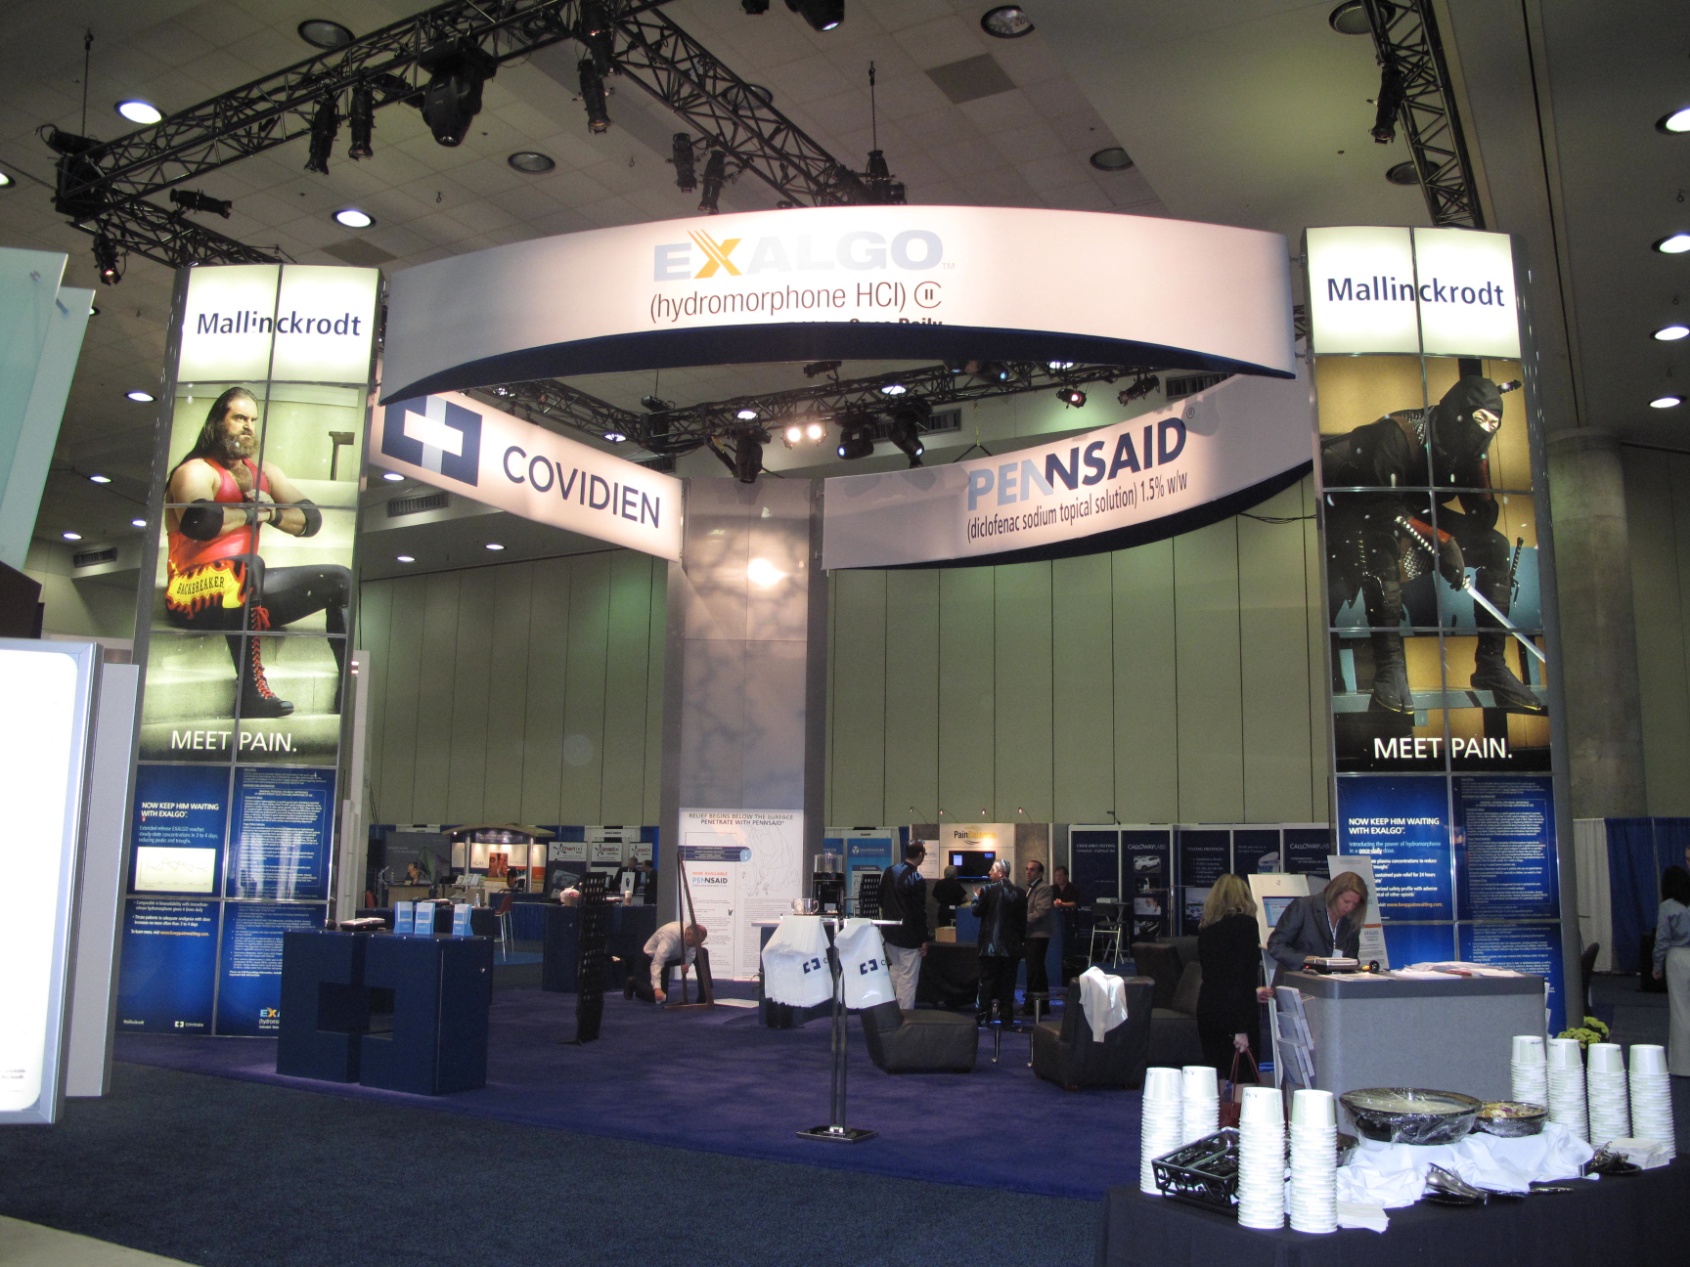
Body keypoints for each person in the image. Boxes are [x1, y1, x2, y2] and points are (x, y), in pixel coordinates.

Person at [1321, 375, 1541, 715]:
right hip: (1359, 515)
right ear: (1458, 410)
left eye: (1493, 424)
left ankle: (1491, 663)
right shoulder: (1400, 433)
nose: (1484, 428)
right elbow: (1383, 506)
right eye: (1479, 418)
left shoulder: (1464, 448)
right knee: (1384, 547)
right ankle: (1389, 668)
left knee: (1495, 546)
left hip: (1415, 514)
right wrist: (1439, 540)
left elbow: (1484, 518)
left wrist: (1479, 461)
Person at [163, 386, 351, 719]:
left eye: (253, 419)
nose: (248, 426)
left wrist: (270, 512)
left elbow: (310, 518)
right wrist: (255, 511)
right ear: (217, 423)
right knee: (248, 567)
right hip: (188, 592)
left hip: (242, 589)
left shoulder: (264, 472)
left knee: (339, 579)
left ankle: (349, 692)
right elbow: (200, 521)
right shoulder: (196, 470)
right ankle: (251, 692)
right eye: (239, 418)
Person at [1196, 875, 1271, 1076]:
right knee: (1243, 1075)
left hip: (1208, 1007)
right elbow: (1240, 977)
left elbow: (1218, 974)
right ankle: (1238, 1109)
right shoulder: (1246, 925)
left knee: (1216, 1071)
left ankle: (1218, 1109)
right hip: (1236, 1012)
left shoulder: (1206, 929)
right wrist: (1241, 1027)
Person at [1266, 872, 1368, 984]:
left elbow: (1351, 959)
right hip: (1296, 984)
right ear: (1333, 893)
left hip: (1331, 988)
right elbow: (1276, 945)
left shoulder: (1350, 922)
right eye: (1346, 901)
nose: (1349, 908)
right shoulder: (1304, 907)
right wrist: (1309, 962)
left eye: (1355, 904)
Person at [971, 860, 1026, 1026]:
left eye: (992, 870)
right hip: (1011, 948)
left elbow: (976, 911)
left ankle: (983, 1017)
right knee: (1008, 984)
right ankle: (1006, 1017)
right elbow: (1022, 923)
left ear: (1001, 872)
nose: (989, 873)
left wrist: (975, 898)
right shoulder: (1020, 893)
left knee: (986, 983)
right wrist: (1019, 944)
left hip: (989, 947)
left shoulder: (987, 890)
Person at [877, 842, 930, 1010]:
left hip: (889, 932)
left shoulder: (889, 871)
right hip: (909, 935)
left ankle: (889, 1009)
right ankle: (905, 1016)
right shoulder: (917, 879)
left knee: (895, 969)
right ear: (920, 854)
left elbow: (880, 898)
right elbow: (918, 912)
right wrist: (924, 938)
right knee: (908, 977)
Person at [1651, 865, 1690, 1075]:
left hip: (1678, 957)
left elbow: (1662, 939)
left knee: (1680, 1012)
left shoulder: (1668, 907)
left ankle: (1682, 1065)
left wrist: (1657, 965)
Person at [626, 922, 712, 1005]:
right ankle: (634, 984)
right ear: (688, 934)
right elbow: (657, 963)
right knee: (659, 998)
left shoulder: (692, 932)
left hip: (674, 956)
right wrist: (657, 988)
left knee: (702, 952)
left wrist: (686, 964)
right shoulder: (670, 936)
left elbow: (692, 952)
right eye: (694, 942)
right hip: (652, 958)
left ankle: (704, 995)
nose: (695, 945)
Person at [1021, 858, 1054, 1013]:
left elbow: (1040, 912)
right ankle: (1040, 1006)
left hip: (1038, 935)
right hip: (1031, 935)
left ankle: (1034, 1006)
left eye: (1032, 869)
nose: (1028, 872)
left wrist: (1019, 920)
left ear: (1040, 873)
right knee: (1035, 970)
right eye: (1027, 869)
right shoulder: (1031, 888)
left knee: (1035, 971)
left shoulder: (1044, 888)